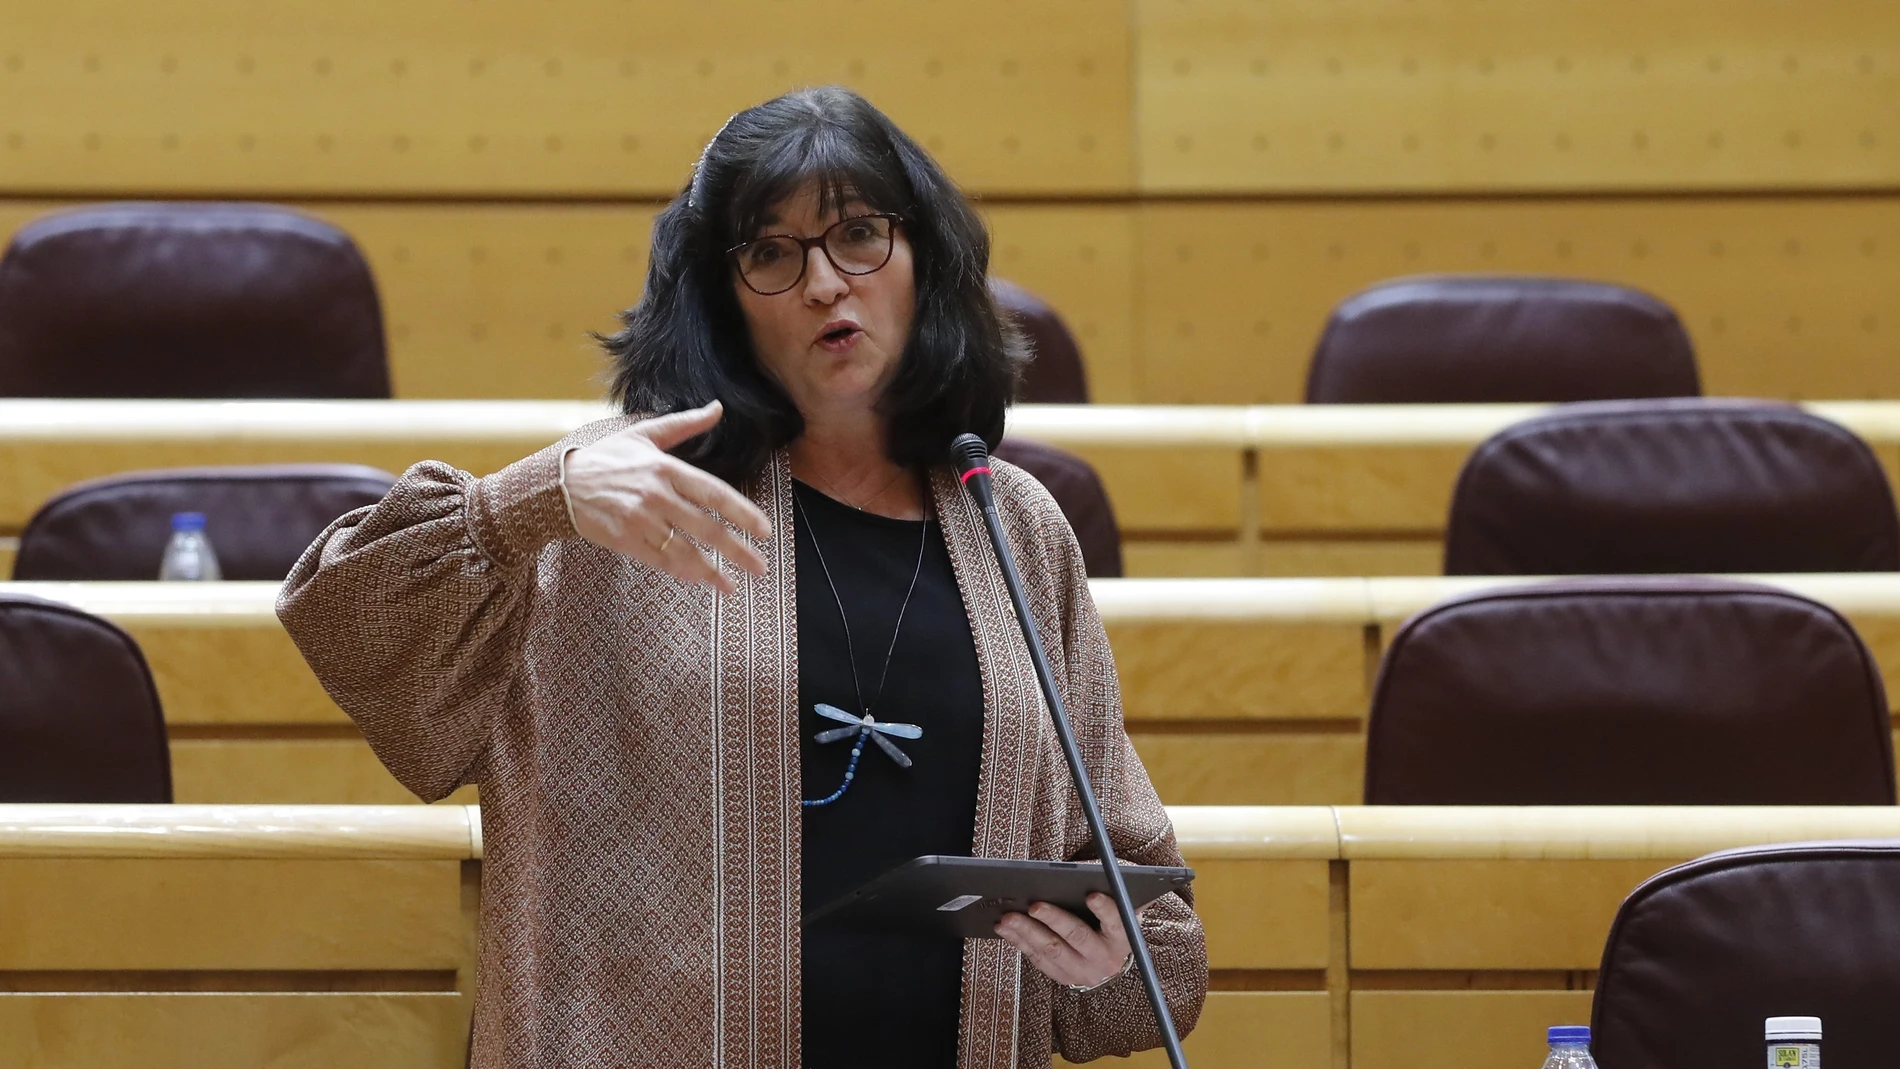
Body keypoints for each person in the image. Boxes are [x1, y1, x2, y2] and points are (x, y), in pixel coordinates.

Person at [278, 85, 1206, 1069]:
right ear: (721, 299)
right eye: (771, 253)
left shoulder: (1012, 525)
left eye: (859, 234)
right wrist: (526, 504)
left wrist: (1103, 960)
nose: (825, 284)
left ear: (923, 257)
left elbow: (1144, 911)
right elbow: (346, 624)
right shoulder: (617, 498)